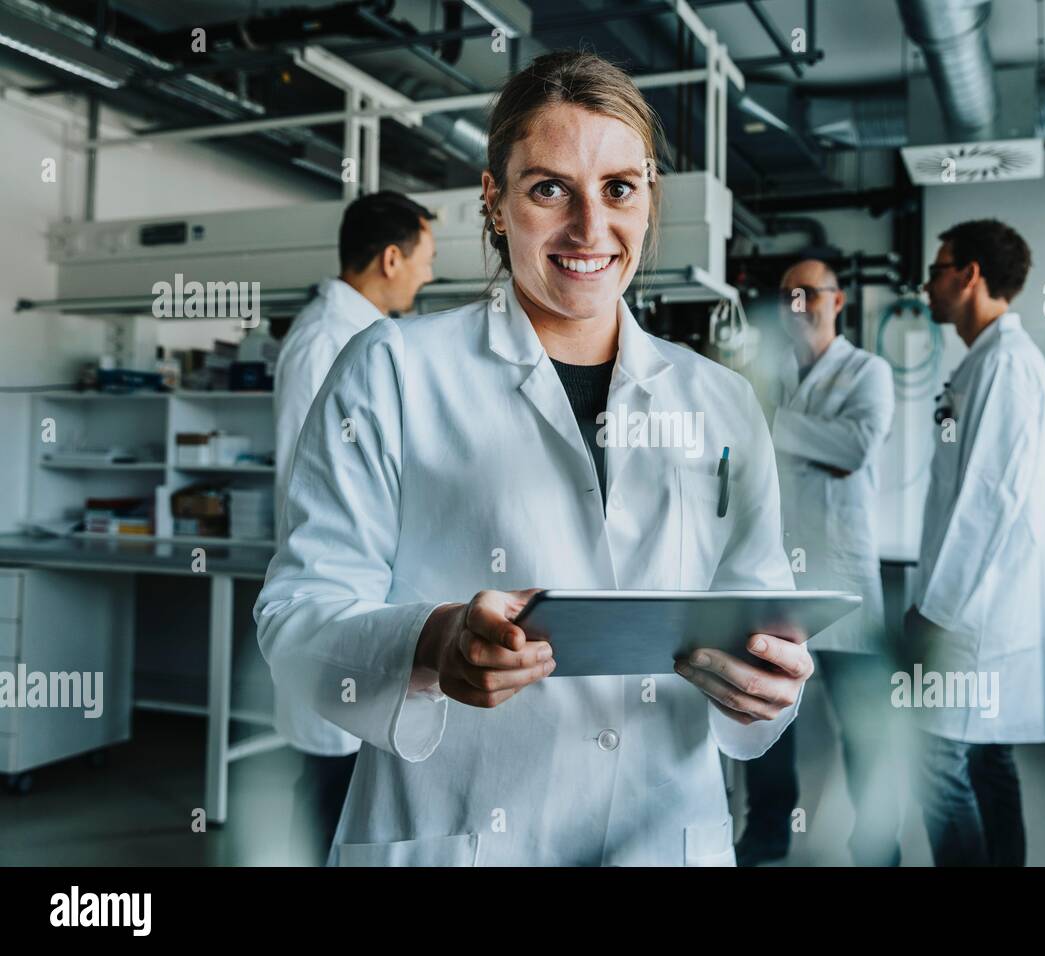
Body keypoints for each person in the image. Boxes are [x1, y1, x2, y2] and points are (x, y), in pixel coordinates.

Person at [254, 50, 812, 867]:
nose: (590, 228)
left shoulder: (720, 402)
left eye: (619, 188)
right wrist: (434, 643)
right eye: (550, 188)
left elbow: (763, 616)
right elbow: (296, 617)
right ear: (495, 200)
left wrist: (768, 691)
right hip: (459, 832)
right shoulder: (392, 371)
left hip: (664, 836)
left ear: (649, 197)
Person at [271, 190, 435, 865]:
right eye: (424, 260)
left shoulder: (366, 338)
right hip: (336, 594)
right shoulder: (323, 345)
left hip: (371, 598)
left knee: (354, 789)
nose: (427, 275)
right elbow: (311, 487)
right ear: (391, 258)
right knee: (326, 787)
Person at [908, 219, 1045, 866]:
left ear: (969, 274)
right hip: (985, 611)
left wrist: (933, 613)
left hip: (973, 615)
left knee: (935, 760)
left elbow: (986, 503)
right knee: (988, 757)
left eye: (937, 269)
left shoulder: (1005, 366)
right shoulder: (987, 364)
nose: (928, 284)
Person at [735, 259, 901, 867]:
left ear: (837, 303)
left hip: (843, 576)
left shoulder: (869, 372)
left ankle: (877, 842)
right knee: (767, 709)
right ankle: (768, 830)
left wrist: (772, 424)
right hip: (776, 574)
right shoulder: (770, 373)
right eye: (787, 295)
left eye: (811, 293)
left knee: (863, 727)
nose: (797, 303)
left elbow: (853, 448)